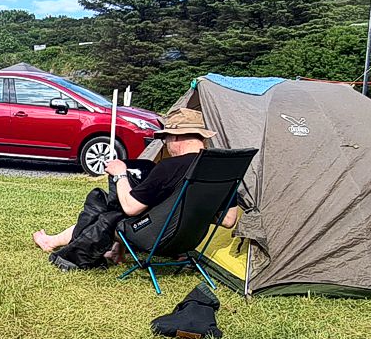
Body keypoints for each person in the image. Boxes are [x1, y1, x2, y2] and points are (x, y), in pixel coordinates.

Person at [32, 107, 237, 271]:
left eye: (165, 138)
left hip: (156, 239)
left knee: (106, 209)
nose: (165, 144)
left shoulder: (169, 167)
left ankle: (60, 245)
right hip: (189, 241)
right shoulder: (222, 168)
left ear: (175, 137)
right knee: (107, 205)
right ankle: (91, 246)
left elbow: (130, 208)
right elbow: (229, 220)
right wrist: (192, 212)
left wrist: (120, 173)